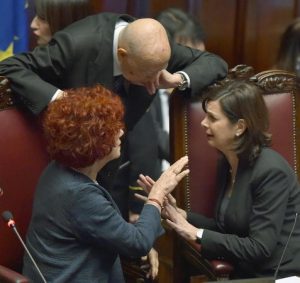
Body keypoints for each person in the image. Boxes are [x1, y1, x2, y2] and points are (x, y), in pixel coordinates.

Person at [0, 12, 227, 216]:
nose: (152, 82)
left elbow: (214, 63)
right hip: (68, 171)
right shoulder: (76, 44)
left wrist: (177, 79)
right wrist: (61, 100)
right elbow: (10, 66)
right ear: (122, 55)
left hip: (115, 168)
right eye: (146, 75)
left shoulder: (154, 46)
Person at [22, 84, 189, 283]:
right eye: (110, 130)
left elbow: (108, 230)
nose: (120, 132)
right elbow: (137, 243)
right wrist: (157, 193)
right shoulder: (79, 194)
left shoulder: (59, 169)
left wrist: (140, 237)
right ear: (91, 142)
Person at [146, 81, 300, 279]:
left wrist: (196, 233)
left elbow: (260, 248)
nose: (203, 123)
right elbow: (228, 226)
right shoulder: (227, 161)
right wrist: (182, 215)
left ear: (240, 127)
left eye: (212, 118)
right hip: (248, 272)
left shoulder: (271, 171)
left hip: (280, 275)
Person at [127, 9, 209, 222]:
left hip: (192, 183)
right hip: (150, 187)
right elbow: (153, 144)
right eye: (186, 51)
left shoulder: (200, 91)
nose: (192, 61)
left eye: (197, 50)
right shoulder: (142, 91)